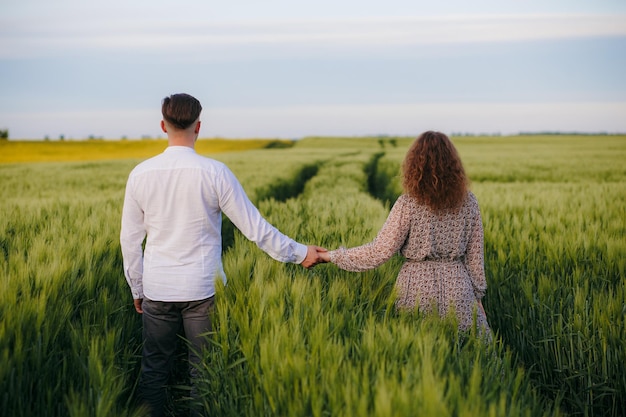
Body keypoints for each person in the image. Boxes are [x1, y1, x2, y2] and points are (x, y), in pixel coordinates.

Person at [120, 93, 326, 417]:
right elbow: (255, 228)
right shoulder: (215, 173)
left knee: (154, 369)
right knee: (204, 371)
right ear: (198, 126)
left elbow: (130, 241)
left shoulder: (140, 175)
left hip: (157, 288)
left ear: (163, 125)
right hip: (203, 289)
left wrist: (137, 287)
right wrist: (299, 253)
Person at [319, 131, 491, 338]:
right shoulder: (469, 202)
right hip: (458, 286)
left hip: (416, 288)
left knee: (418, 353)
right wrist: (478, 298)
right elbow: (475, 257)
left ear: (414, 165)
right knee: (472, 354)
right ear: (453, 164)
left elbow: (379, 251)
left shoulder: (408, 204)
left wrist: (330, 256)